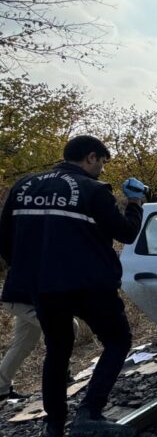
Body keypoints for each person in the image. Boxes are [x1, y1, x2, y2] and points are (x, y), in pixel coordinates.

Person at [0, 135, 146, 437]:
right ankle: (89, 413)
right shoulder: (94, 190)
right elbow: (126, 234)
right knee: (118, 340)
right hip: (88, 283)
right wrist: (134, 204)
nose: (102, 170)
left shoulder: (24, 186)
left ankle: (54, 426)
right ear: (90, 157)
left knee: (58, 350)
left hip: (42, 286)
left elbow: (5, 239)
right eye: (102, 162)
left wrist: (30, 270)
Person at [0, 302, 79, 401]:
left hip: (24, 299)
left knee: (24, 343)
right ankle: (60, 376)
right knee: (66, 326)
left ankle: (1, 388)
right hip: (20, 299)